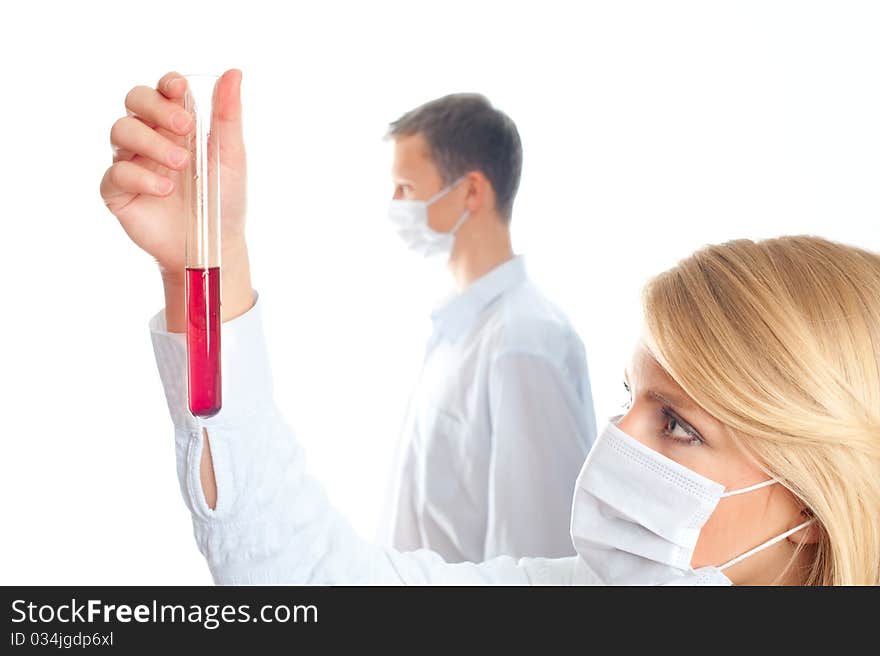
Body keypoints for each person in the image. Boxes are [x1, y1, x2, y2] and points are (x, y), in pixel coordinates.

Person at [101, 71, 880, 585]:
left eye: (676, 424)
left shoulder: (527, 341)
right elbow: (303, 576)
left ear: (813, 508)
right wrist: (203, 273)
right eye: (629, 395)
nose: (616, 437)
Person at [381, 93, 596, 561]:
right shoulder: (457, 329)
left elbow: (539, 553)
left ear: (472, 191)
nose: (394, 204)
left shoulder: (524, 341)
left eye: (405, 188)